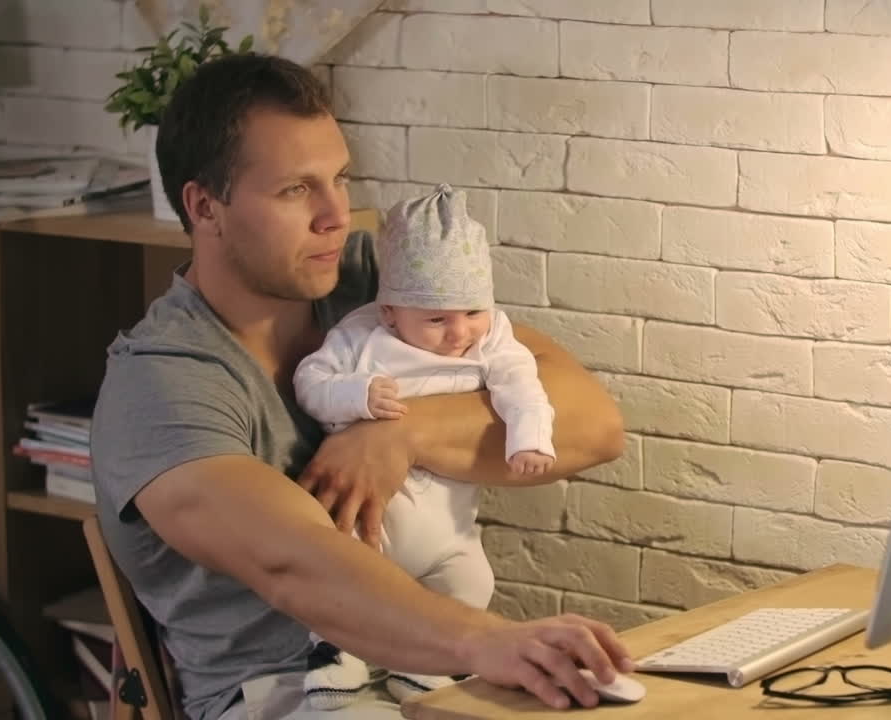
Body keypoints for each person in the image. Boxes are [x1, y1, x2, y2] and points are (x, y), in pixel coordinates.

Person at [90, 52, 632, 720]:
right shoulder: (162, 380)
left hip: (432, 668)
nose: (336, 216)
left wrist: (405, 435)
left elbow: (591, 422)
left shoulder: (370, 277)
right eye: (295, 190)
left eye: (339, 180)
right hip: (277, 696)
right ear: (205, 206)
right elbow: (295, 561)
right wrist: (489, 641)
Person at [293, 183, 556, 709]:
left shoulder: (493, 337)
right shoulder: (361, 336)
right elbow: (309, 380)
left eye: (472, 311)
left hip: (451, 526)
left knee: (472, 580)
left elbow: (522, 386)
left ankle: (421, 668)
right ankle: (334, 651)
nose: (459, 332)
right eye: (436, 319)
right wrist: (356, 395)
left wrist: (530, 440)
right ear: (390, 311)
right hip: (370, 519)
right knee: (344, 578)